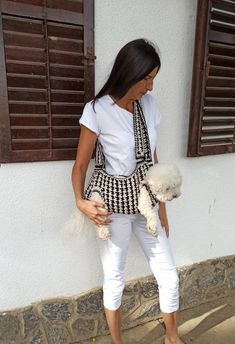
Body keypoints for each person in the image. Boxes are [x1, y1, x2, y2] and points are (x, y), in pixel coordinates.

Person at [72, 39, 184, 344]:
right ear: (128, 72)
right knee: (115, 278)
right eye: (146, 78)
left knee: (169, 275)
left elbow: (152, 159)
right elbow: (80, 166)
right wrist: (81, 203)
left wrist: (162, 209)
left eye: (153, 79)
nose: (149, 87)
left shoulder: (149, 105)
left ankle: (171, 337)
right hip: (112, 207)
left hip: (146, 202)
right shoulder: (97, 110)